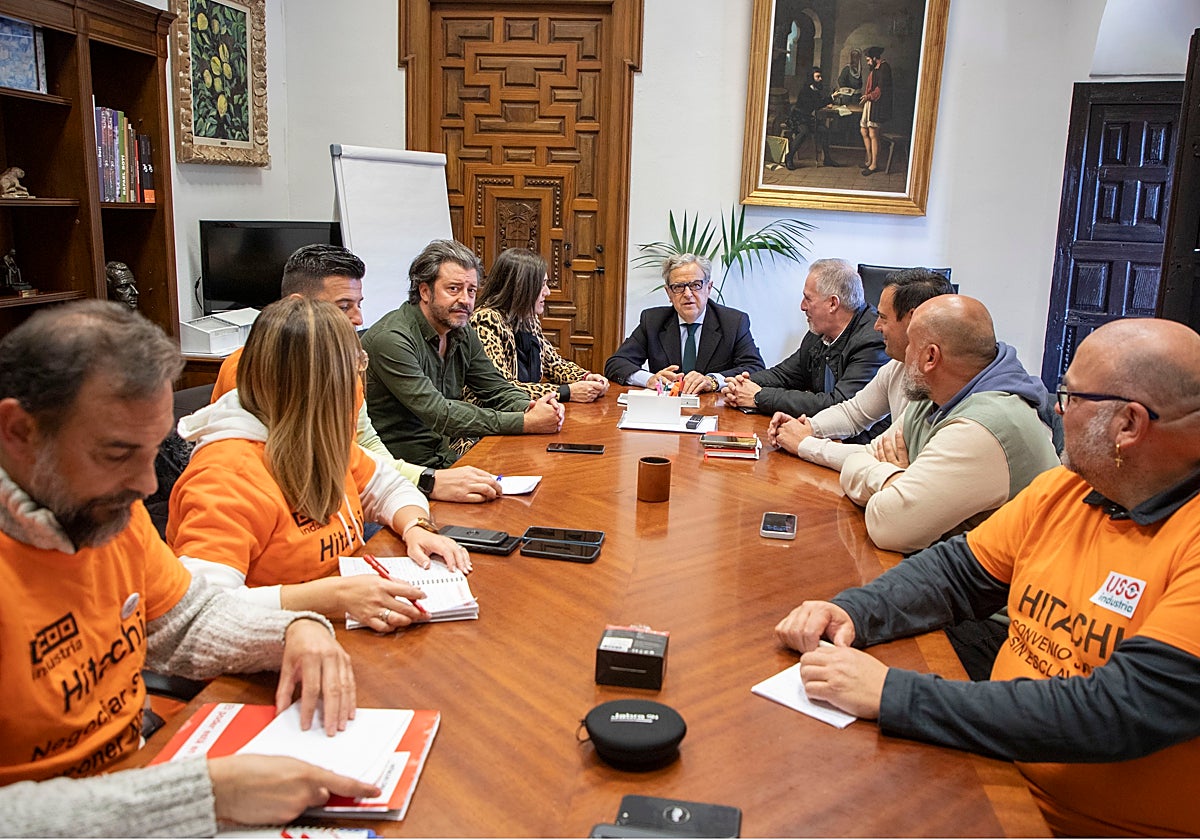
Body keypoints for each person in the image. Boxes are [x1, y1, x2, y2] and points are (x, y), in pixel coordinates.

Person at [775, 317, 1200, 836]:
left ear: (1129, 424)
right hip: (995, 771)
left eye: (1070, 396)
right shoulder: (1066, 490)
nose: (1057, 409)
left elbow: (1116, 711)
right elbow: (955, 573)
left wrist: (892, 694)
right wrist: (852, 611)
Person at [0, 301, 378, 836]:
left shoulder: (106, 512)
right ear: (18, 431)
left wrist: (294, 629)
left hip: (139, 769)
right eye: (117, 454)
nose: (146, 486)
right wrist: (204, 796)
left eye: (152, 451)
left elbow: (185, 617)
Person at [169, 298, 470, 633]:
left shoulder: (316, 439)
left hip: (338, 628)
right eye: (354, 369)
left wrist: (416, 526)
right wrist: (330, 596)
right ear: (319, 387)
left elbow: (388, 487)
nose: (358, 385)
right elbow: (199, 611)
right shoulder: (226, 477)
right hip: (273, 646)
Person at [212, 244, 501, 504]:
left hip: (352, 497)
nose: (359, 319)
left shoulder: (345, 363)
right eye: (344, 307)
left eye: (358, 304)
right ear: (297, 305)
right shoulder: (249, 370)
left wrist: (410, 489)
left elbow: (366, 444)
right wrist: (427, 481)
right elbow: (318, 464)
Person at [837, 295, 1059, 553]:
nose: (904, 354)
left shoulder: (985, 426)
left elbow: (889, 527)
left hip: (1012, 576)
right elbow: (854, 463)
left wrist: (892, 482)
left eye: (910, 344)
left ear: (930, 357)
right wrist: (897, 479)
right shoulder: (931, 396)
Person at [362, 239, 563, 468]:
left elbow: (496, 389)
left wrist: (531, 407)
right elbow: (439, 413)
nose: (465, 300)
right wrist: (524, 421)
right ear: (425, 291)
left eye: (471, 291)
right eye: (453, 289)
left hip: (444, 459)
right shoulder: (392, 339)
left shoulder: (461, 331)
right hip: (400, 472)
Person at [767, 268, 953, 470]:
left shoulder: (938, 383)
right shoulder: (898, 366)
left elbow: (877, 454)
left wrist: (804, 444)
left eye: (883, 317)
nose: (877, 326)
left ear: (913, 320)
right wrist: (808, 427)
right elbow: (853, 413)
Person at [722, 259, 887, 426]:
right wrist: (740, 385)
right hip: (821, 432)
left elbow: (840, 404)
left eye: (808, 299)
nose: (802, 306)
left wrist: (759, 396)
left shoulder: (873, 341)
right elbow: (785, 375)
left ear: (833, 303)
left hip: (862, 439)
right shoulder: (820, 332)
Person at [604, 254, 765, 395]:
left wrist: (713, 381)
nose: (688, 294)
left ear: (708, 288)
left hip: (715, 409)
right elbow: (616, 364)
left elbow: (755, 368)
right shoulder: (652, 321)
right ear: (669, 293)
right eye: (678, 287)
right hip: (666, 409)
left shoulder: (733, 322)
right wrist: (649, 379)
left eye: (695, 285)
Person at [468, 248, 609, 404]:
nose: (547, 292)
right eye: (541, 285)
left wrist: (586, 378)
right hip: (488, 413)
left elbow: (554, 365)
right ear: (522, 288)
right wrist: (565, 392)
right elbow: (501, 389)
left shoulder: (528, 319)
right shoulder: (486, 321)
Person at [783, 67, 839, 168]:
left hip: (807, 118)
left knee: (824, 131)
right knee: (804, 132)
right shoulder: (805, 90)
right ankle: (789, 157)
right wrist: (831, 97)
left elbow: (818, 103)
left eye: (820, 76)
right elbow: (816, 104)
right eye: (818, 77)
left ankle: (827, 159)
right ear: (811, 78)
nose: (820, 79)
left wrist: (829, 100)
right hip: (798, 118)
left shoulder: (815, 89)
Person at [859, 45, 892, 177]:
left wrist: (868, 96)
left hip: (878, 104)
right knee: (864, 130)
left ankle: (874, 164)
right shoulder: (875, 68)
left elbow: (880, 89)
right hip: (870, 102)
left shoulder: (884, 68)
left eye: (868, 60)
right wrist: (867, 97)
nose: (867, 63)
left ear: (874, 58)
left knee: (873, 133)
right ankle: (869, 159)